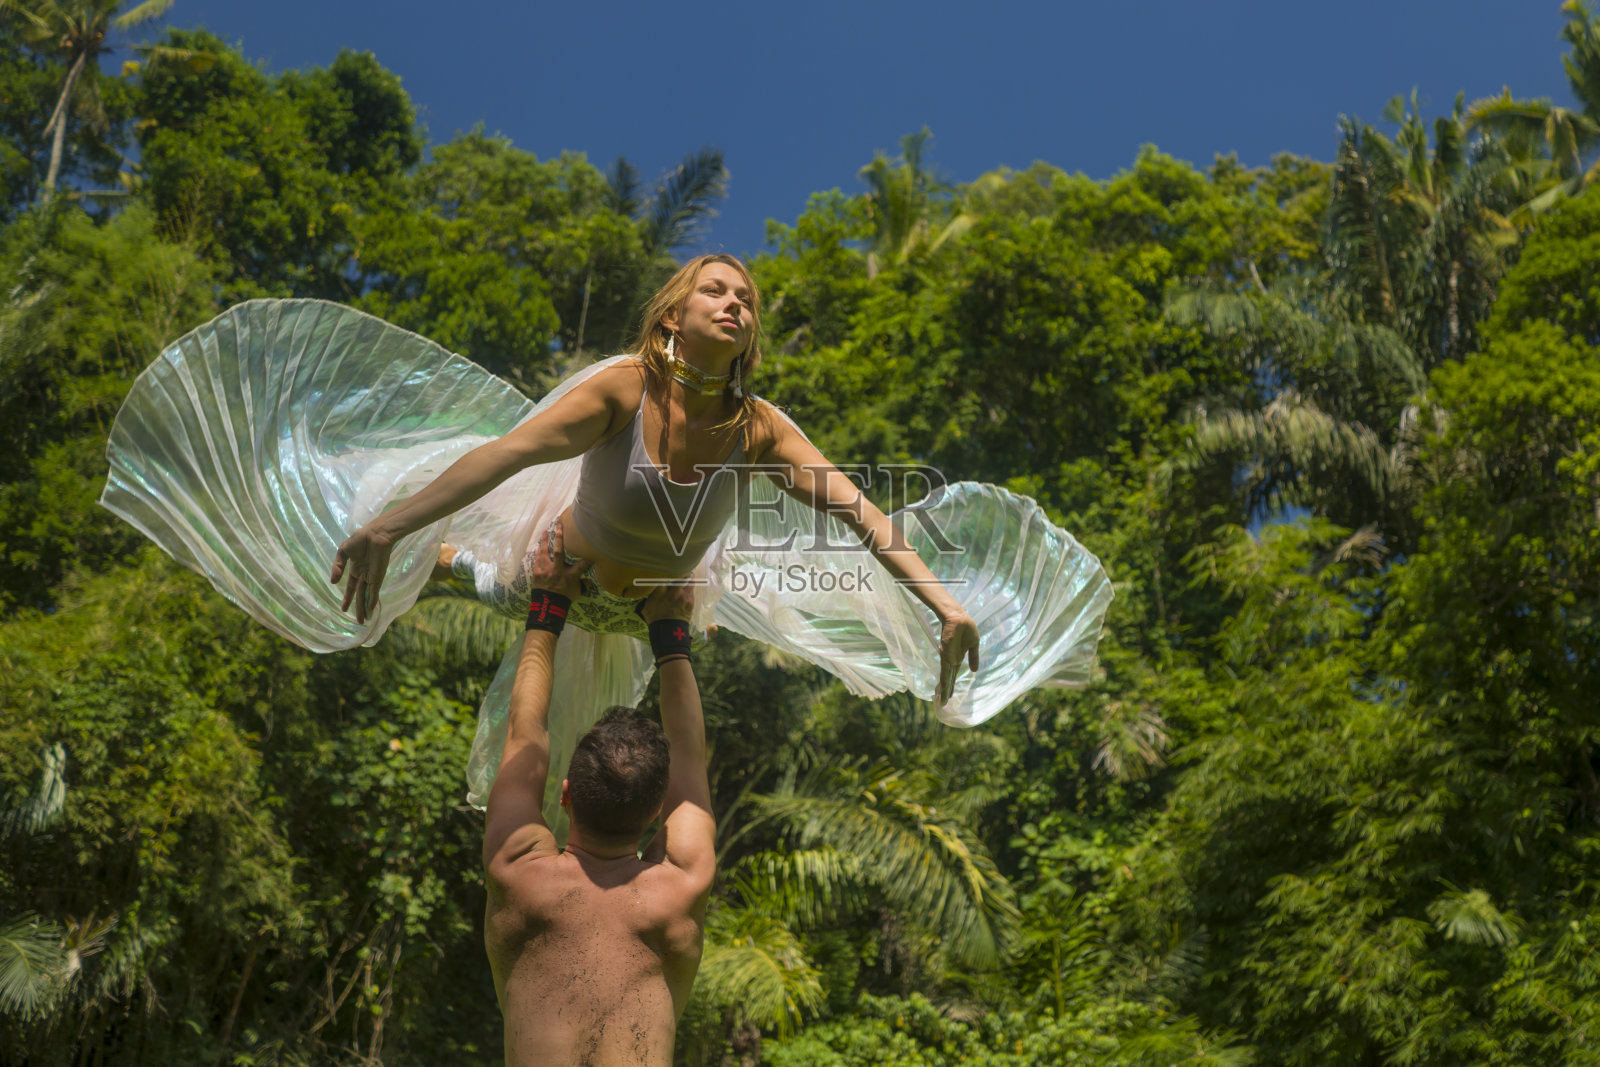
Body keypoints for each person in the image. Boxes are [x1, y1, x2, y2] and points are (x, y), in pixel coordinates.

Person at [328, 254, 981, 703]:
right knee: (486, 581)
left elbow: (862, 514)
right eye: (715, 291)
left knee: (697, 644)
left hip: (655, 611)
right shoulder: (625, 389)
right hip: (558, 577)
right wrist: (389, 527)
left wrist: (947, 608)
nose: (735, 304)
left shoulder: (761, 430)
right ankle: (438, 555)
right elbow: (510, 453)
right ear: (672, 316)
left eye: (746, 302)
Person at [483, 521, 713, 1066]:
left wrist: (549, 604)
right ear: (657, 812)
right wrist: (670, 634)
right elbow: (689, 754)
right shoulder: (680, 887)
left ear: (565, 795)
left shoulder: (517, 873)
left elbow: (524, 734)